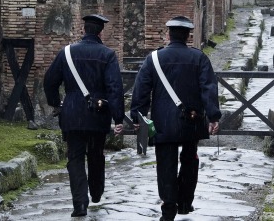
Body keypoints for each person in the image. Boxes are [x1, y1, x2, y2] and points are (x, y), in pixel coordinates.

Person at [130, 15, 221, 221]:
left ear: (168, 34)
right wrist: (214, 116)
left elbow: (141, 90)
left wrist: (138, 116)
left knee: (165, 164)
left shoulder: (153, 59)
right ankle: (185, 201)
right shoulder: (199, 58)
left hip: (163, 121)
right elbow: (209, 89)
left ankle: (168, 207)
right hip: (192, 119)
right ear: (188, 36)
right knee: (190, 160)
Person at [43, 14, 125, 217]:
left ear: (83, 30)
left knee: (75, 158)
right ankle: (96, 192)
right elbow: (115, 88)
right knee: (96, 154)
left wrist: (55, 103)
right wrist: (118, 118)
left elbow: (49, 81)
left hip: (71, 113)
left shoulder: (67, 53)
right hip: (98, 113)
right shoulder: (107, 55)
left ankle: (80, 204)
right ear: (100, 32)